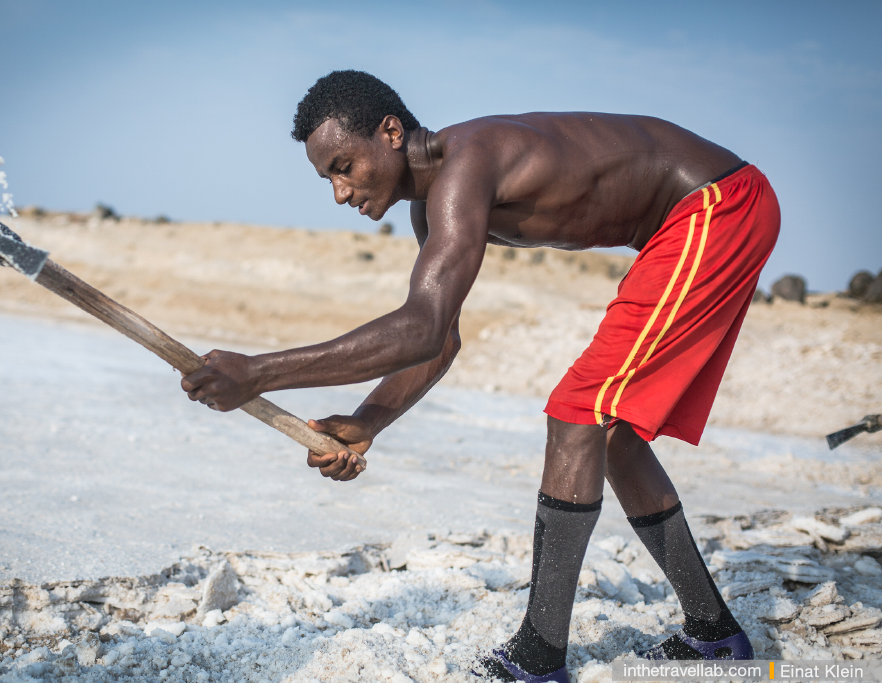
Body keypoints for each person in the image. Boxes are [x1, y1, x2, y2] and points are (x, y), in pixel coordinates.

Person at [181, 70, 780, 682]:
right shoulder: (432, 206)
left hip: (716, 205)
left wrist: (258, 373)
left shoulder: (467, 162)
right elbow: (439, 338)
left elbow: (419, 326)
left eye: (343, 165)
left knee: (577, 413)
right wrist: (366, 422)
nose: (339, 192)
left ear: (390, 133)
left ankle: (538, 659)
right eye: (328, 177)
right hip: (692, 222)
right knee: (609, 432)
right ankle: (714, 635)